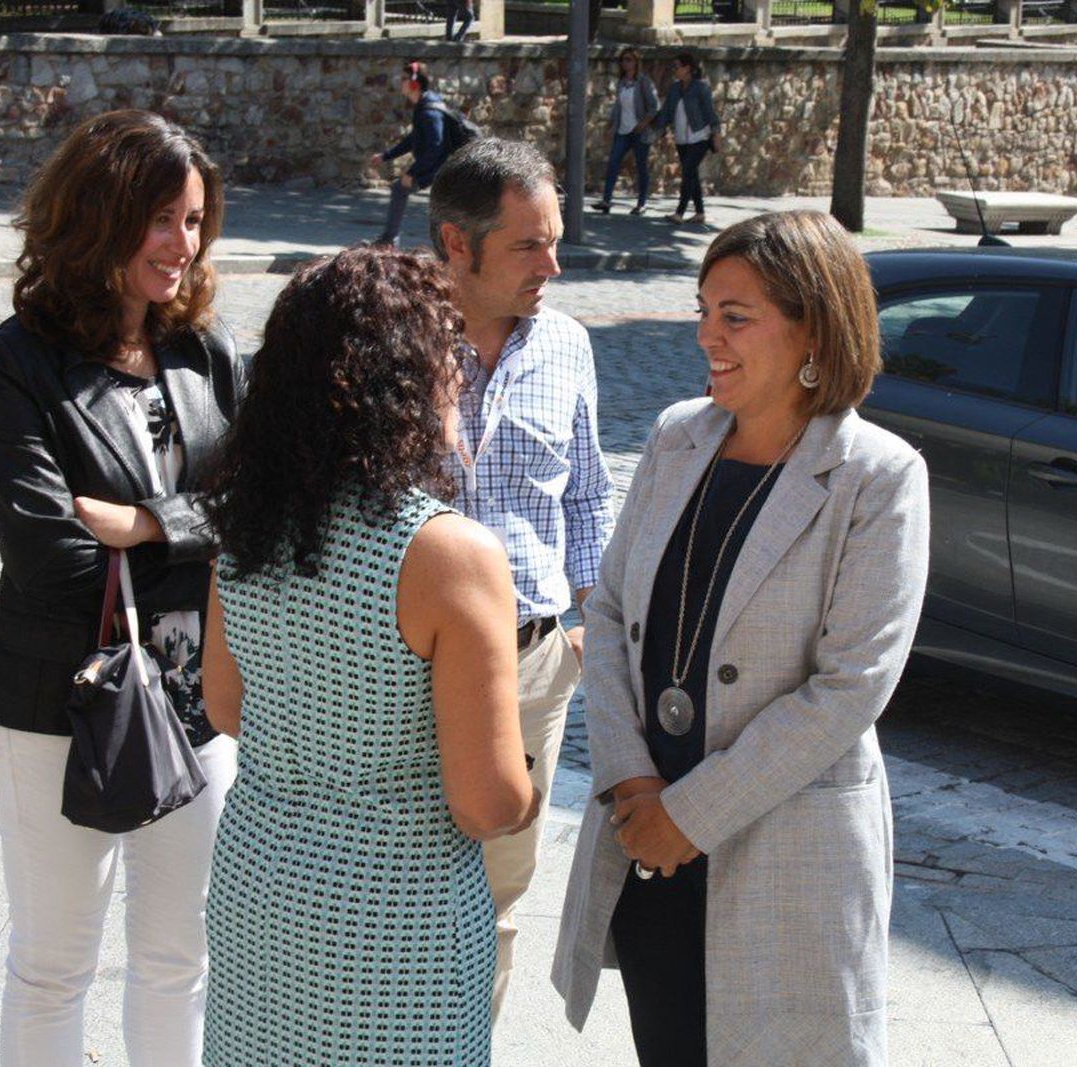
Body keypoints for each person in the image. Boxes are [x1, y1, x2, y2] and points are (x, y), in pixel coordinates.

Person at [552, 210, 930, 1067]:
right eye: (703, 310)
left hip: (782, 855)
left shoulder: (877, 476)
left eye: (735, 316)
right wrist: (631, 779)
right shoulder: (676, 436)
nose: (706, 336)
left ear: (812, 330)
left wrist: (689, 816)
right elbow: (608, 611)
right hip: (648, 841)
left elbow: (852, 686)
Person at [199, 247, 539, 1065]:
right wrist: (526, 790)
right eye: (449, 354)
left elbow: (226, 705)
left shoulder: (251, 523)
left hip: (259, 885)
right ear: (410, 381)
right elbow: (484, 802)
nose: (459, 375)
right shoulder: (447, 554)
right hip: (397, 917)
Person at [0, 109, 241, 1065]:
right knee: (53, 964)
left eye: (194, 220)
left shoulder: (206, 353)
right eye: (160, 219)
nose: (183, 244)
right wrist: (197, 533)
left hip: (193, 699)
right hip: (59, 698)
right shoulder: (18, 360)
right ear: (98, 217)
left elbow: (257, 510)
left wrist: (148, 524)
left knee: (180, 958)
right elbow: (48, 554)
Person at [427, 138, 617, 1021]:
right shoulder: (393, 340)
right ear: (456, 244)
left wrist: (586, 624)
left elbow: (587, 492)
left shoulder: (567, 344)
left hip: (535, 665)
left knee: (497, 895)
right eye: (528, 245)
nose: (553, 265)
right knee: (398, 882)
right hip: (410, 667)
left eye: (555, 241)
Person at [370, 62, 450, 248]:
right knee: (403, 190)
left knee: (401, 189)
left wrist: (412, 173)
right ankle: (389, 240)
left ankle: (389, 241)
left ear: (415, 83)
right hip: (439, 163)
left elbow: (436, 146)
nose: (400, 82)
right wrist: (386, 156)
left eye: (404, 79)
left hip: (443, 165)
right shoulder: (424, 105)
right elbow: (414, 139)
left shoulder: (429, 111)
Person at [650, 52, 720, 227]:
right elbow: (666, 112)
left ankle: (680, 213)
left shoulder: (701, 88)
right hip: (682, 139)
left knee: (688, 172)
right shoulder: (675, 89)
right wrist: (656, 127)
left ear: (687, 68)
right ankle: (699, 213)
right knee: (692, 174)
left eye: (677, 67)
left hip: (700, 137)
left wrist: (716, 134)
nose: (674, 70)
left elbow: (710, 113)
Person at [591, 48, 659, 217]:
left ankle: (642, 203)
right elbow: (618, 107)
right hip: (623, 130)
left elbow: (654, 106)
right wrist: (611, 126)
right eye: (623, 60)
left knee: (641, 166)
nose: (625, 63)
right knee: (613, 163)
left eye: (629, 59)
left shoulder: (643, 82)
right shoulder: (621, 82)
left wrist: (643, 124)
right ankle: (606, 201)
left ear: (636, 62)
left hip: (639, 131)